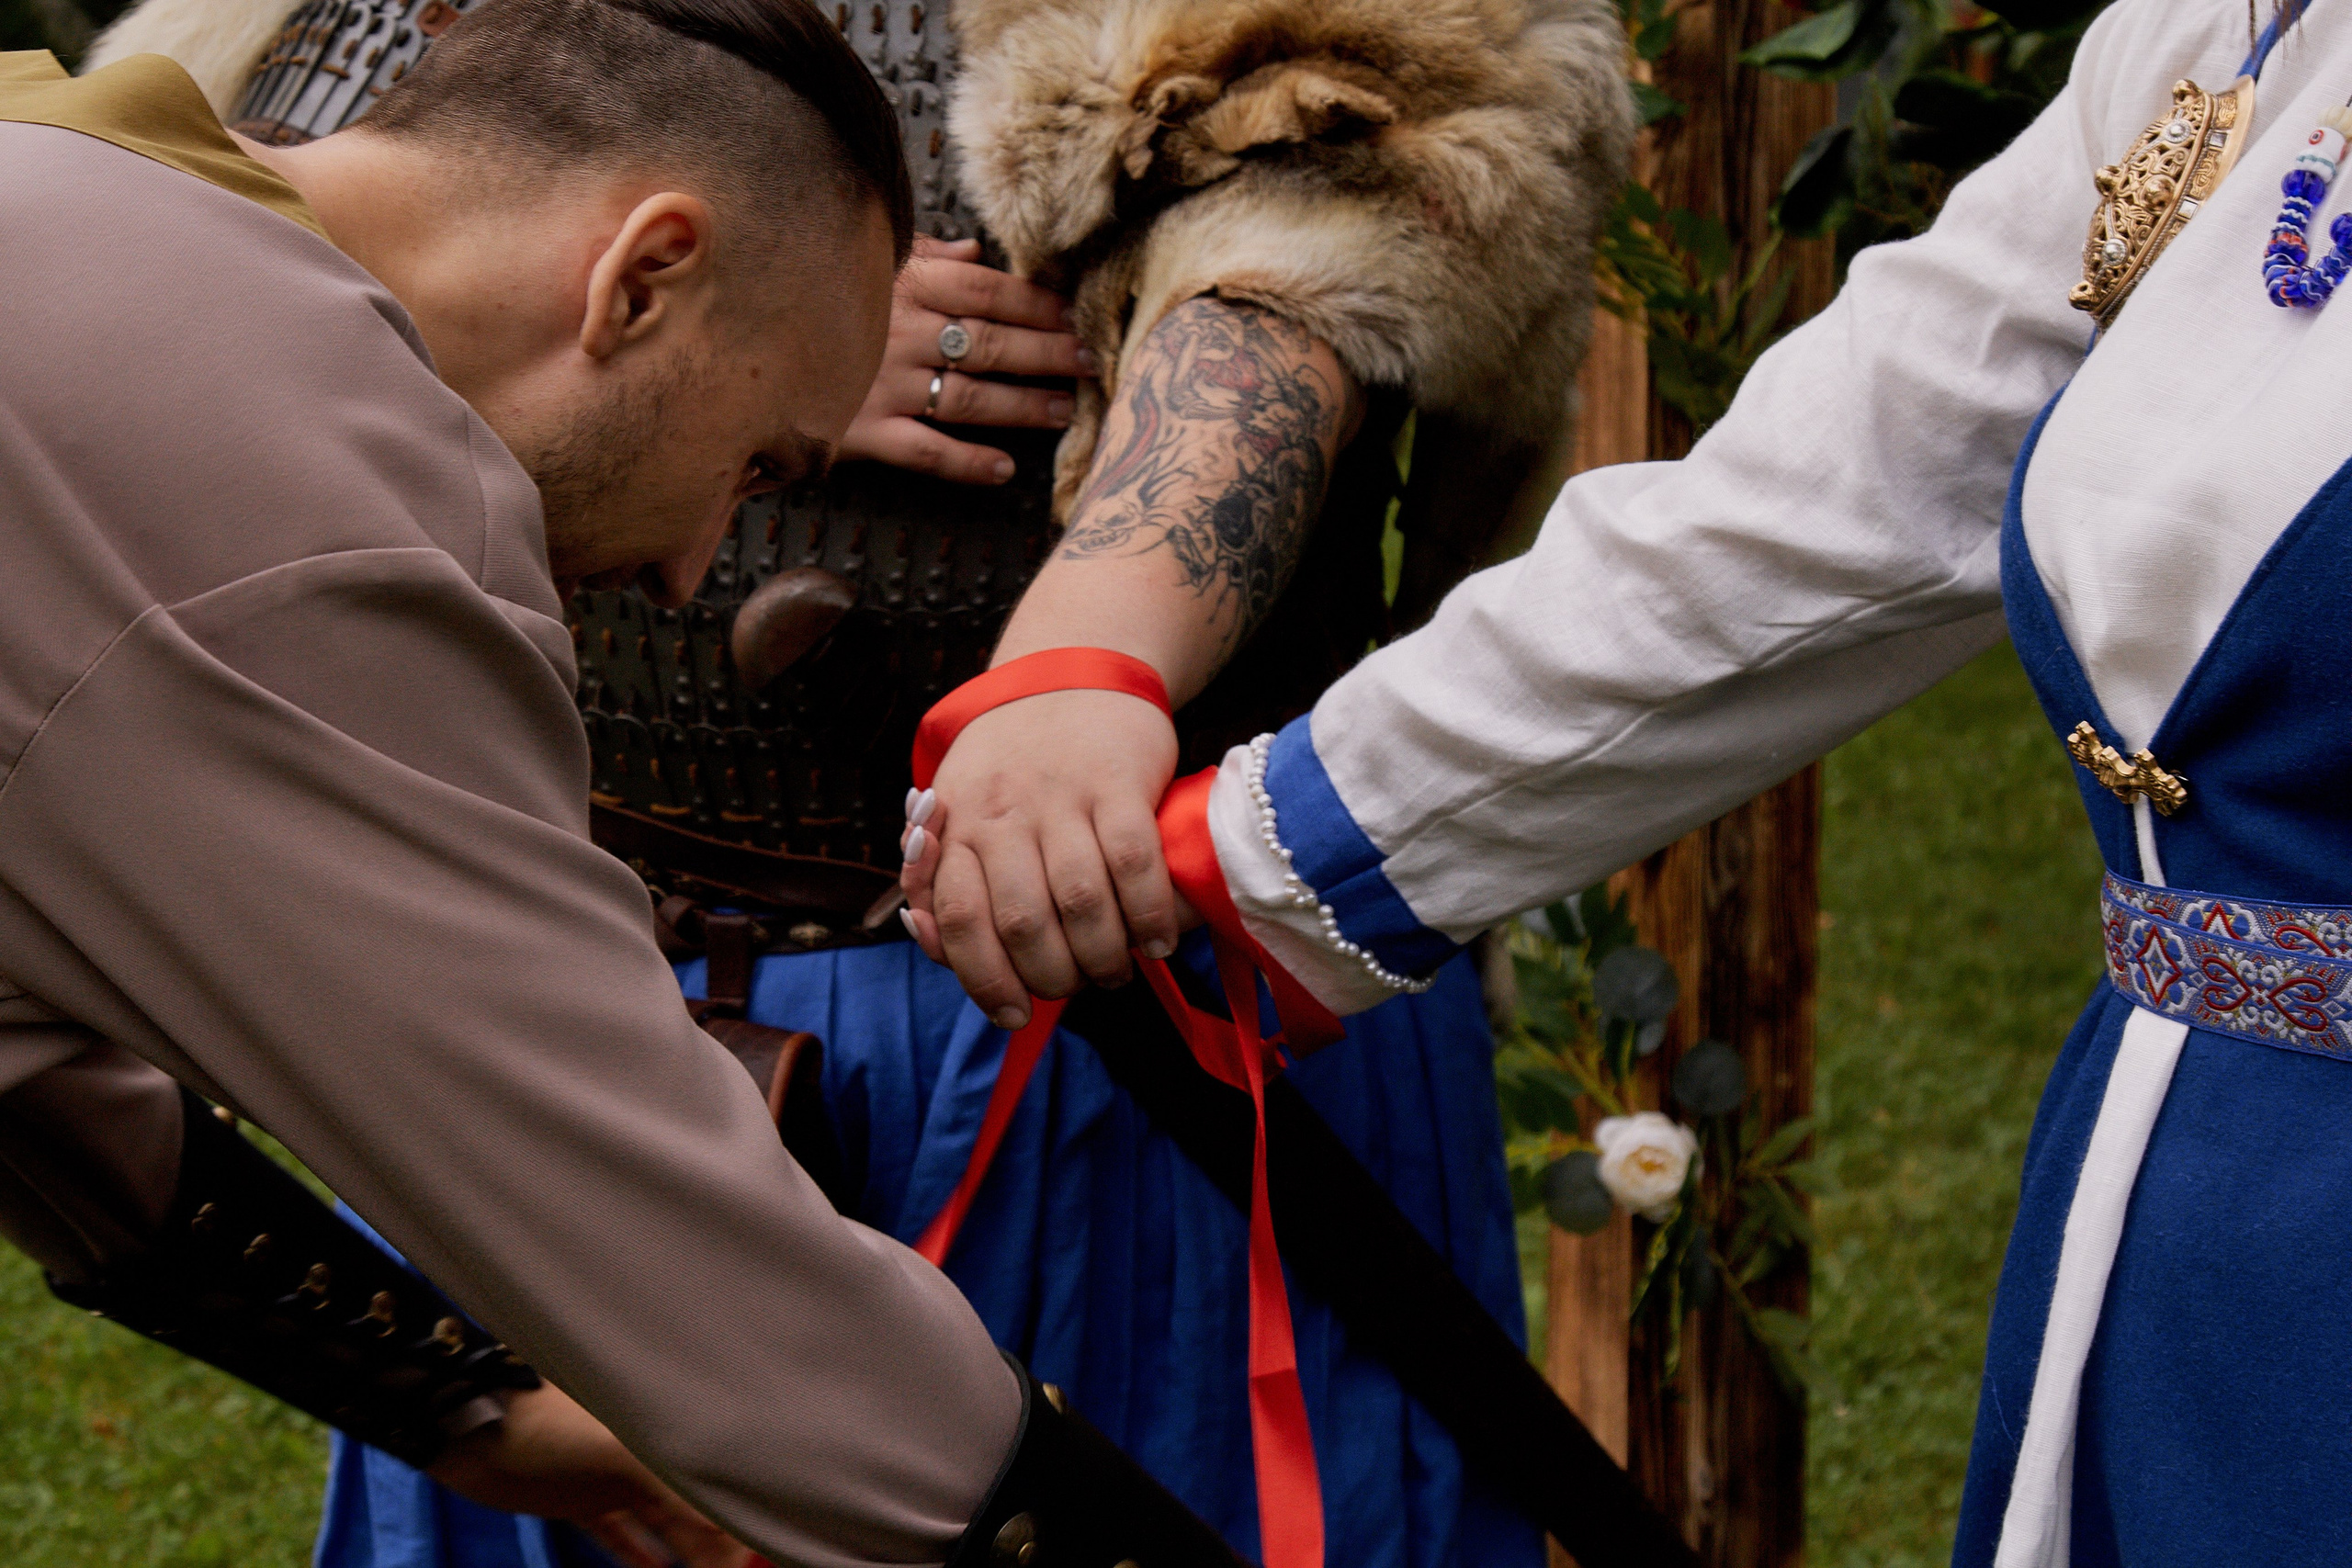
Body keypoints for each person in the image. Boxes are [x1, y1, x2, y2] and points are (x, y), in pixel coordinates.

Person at [77, 0, 1635, 1561]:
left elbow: (1315, 225)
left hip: (1090, 994)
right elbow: (310, 202)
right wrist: (746, 322)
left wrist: (1074, 656)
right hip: (526, 979)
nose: (692, 571)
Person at [908, 0, 2352, 1561]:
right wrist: (1264, 846)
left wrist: (1102, 650)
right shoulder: (2231, 35)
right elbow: (1840, 490)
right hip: (2184, 1166)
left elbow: (1316, 214)